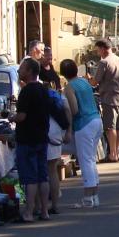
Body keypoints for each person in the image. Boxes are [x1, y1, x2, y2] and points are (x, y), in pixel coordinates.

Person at [10, 58, 63, 222]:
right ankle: (44, 211)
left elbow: (22, 116)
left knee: (30, 177)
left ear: (30, 71)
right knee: (42, 175)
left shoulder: (26, 91)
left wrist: (12, 117)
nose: (19, 71)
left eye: (22, 69)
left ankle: (29, 211)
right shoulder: (43, 89)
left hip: (27, 138)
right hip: (41, 137)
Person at [61, 58, 102, 208]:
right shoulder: (84, 82)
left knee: (86, 161)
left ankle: (87, 197)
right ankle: (94, 195)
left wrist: (68, 127)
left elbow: (74, 109)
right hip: (96, 120)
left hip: (83, 123)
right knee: (90, 159)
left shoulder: (69, 87)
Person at [92, 39, 119, 162]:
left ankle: (112, 153)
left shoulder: (104, 62)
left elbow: (95, 81)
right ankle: (117, 152)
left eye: (98, 50)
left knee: (110, 127)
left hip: (109, 97)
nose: (98, 53)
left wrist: (88, 79)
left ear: (102, 49)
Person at [45, 81, 71, 217]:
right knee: (53, 171)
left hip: (45, 133)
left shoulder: (38, 94)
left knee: (42, 173)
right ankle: (55, 205)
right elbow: (67, 110)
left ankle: (40, 207)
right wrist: (68, 130)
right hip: (57, 132)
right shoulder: (58, 96)